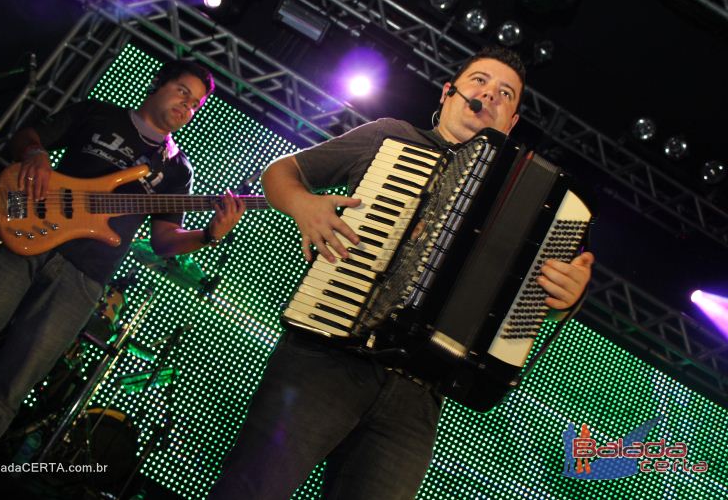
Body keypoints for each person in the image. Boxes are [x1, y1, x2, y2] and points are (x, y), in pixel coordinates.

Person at [208, 47, 595, 500]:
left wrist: (565, 298)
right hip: (328, 357)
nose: (489, 94)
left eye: (504, 94)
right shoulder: (392, 137)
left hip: (417, 397)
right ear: (449, 94)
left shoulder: (523, 204)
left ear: (510, 123)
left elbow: (528, 298)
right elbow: (282, 172)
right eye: (479, 82)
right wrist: (305, 205)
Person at [0, 60, 246, 499]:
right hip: (25, 243)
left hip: (83, 279)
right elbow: (26, 135)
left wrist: (210, 235)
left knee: (6, 393)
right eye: (181, 91)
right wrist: (36, 154)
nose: (186, 106)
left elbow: (164, 242)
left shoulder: (176, 171)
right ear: (158, 86)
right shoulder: (99, 113)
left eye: (195, 104)